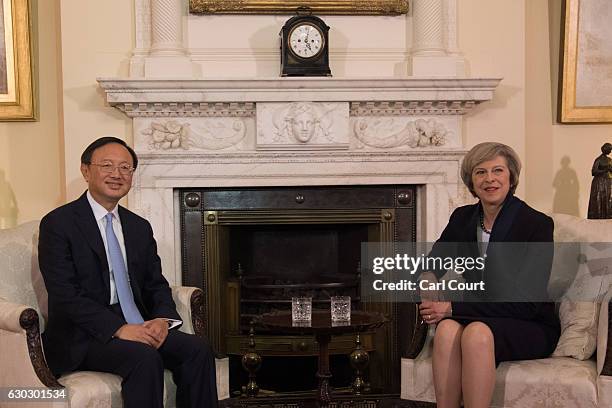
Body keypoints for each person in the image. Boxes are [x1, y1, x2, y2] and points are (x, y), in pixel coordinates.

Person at [38, 137, 218, 408]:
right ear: (86, 171)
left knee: (198, 350)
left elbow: (156, 284)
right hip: (83, 334)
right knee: (144, 357)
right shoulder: (58, 224)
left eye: (125, 168)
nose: (117, 174)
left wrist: (163, 320)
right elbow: (65, 294)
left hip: (137, 322)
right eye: (107, 165)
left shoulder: (138, 227)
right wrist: (118, 328)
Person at [418, 142, 560, 408]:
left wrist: (451, 307)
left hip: (528, 322)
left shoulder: (536, 224)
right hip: (479, 315)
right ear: (471, 181)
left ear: (511, 176)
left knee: (476, 334)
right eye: (480, 172)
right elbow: (432, 264)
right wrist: (427, 278)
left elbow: (526, 304)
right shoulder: (462, 218)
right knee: (447, 330)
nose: (490, 179)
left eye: (498, 170)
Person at [587, 142, 612, 219]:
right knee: (599, 200)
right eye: (609, 149)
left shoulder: (609, 160)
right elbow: (594, 172)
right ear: (605, 149)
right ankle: (598, 216)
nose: (610, 151)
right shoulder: (599, 159)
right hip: (599, 183)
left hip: (608, 183)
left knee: (608, 201)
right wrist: (605, 170)